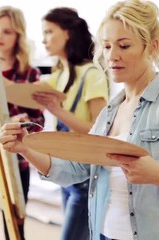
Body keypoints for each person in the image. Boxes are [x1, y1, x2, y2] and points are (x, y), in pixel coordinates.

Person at [0, 1, 159, 240]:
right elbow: (77, 169)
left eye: (124, 45)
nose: (112, 56)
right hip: (103, 234)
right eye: (107, 46)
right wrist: (25, 148)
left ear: (152, 46)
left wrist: (158, 175)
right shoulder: (109, 111)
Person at [31, 7, 108, 240]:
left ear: (67, 34)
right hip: (65, 172)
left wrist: (57, 109)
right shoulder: (58, 74)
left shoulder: (92, 74)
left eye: (49, 32)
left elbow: (98, 131)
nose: (44, 40)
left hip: (84, 177)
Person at [0, 6, 44, 240]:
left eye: (7, 31)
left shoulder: (30, 74)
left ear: (18, 35)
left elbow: (38, 122)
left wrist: (22, 122)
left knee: (15, 229)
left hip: (17, 162)